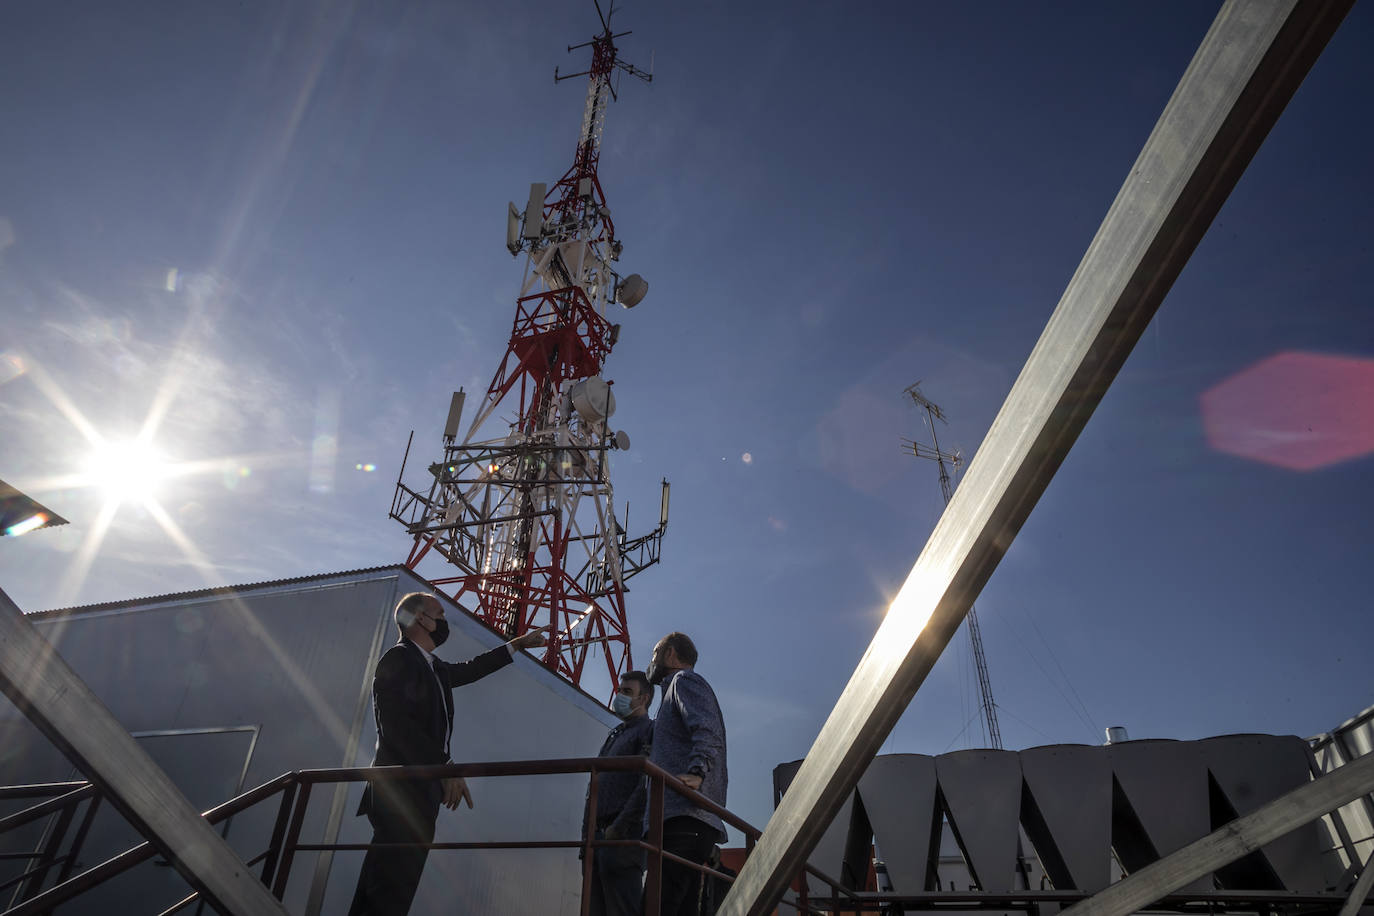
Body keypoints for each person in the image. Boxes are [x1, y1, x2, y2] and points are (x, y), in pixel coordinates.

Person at [348, 592, 549, 916]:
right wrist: (445, 767)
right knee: (388, 889)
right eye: (439, 614)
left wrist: (517, 644)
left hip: (418, 793)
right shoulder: (398, 659)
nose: (444, 622)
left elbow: (470, 669)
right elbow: (396, 727)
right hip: (400, 793)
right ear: (421, 620)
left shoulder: (433, 668)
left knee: (392, 886)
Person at [644, 632, 728, 916]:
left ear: (670, 654)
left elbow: (708, 730)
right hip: (684, 818)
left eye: (655, 654)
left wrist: (696, 772)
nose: (651, 662)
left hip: (685, 816)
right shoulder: (672, 692)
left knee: (657, 906)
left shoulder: (684, 681)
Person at [583, 670, 654, 916]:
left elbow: (646, 784)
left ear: (643, 699)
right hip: (599, 839)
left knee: (622, 908)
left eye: (627, 692)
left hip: (622, 841)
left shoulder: (647, 732)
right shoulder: (617, 733)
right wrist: (587, 839)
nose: (619, 696)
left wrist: (620, 828)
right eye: (619, 691)